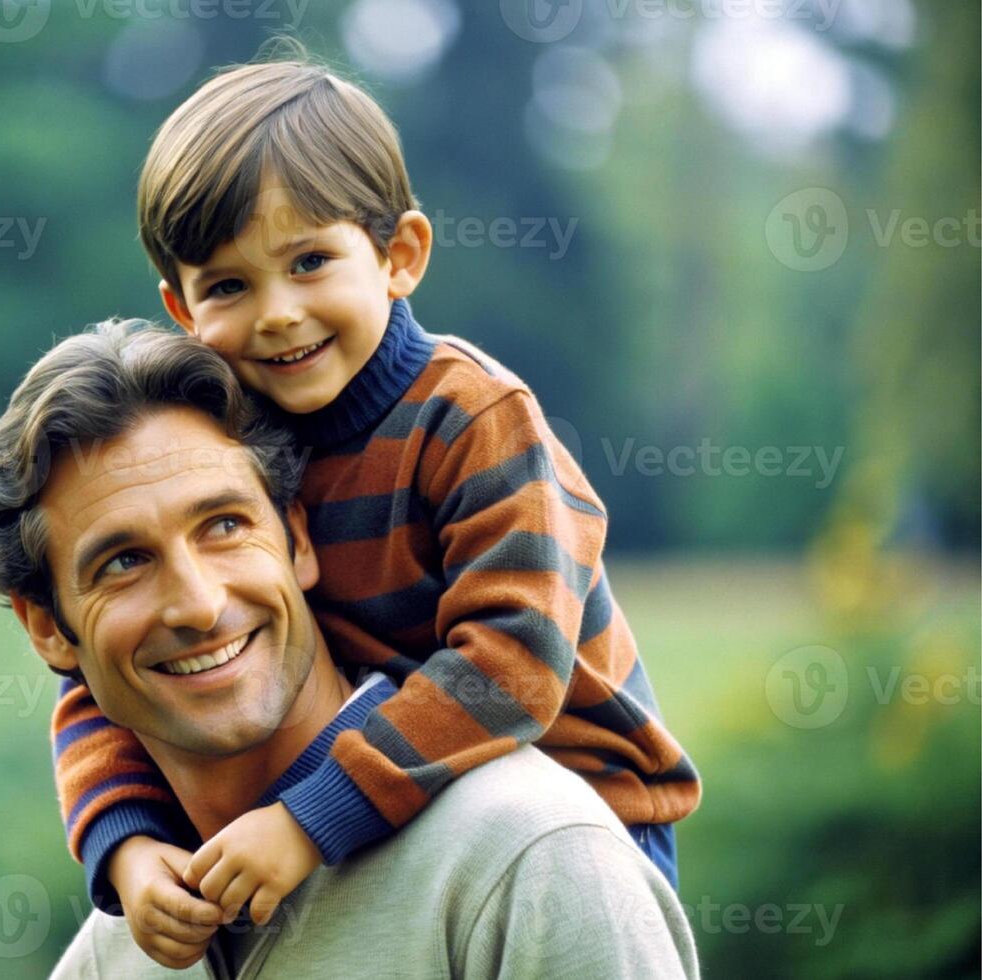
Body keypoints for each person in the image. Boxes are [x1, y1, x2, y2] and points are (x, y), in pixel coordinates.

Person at [51, 46, 702, 968]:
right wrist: (123, 843)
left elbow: (513, 666)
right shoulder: (240, 442)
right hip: (367, 804)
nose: (277, 313)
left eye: (309, 261)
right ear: (180, 307)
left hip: (567, 814)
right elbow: (97, 682)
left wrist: (309, 821)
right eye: (229, 286)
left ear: (399, 256)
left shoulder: (473, 417)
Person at [0, 321, 700, 977]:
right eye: (122, 562)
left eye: (224, 525)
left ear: (298, 538)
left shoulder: (530, 860)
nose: (198, 604)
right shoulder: (112, 959)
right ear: (45, 626)